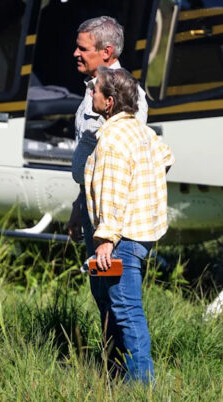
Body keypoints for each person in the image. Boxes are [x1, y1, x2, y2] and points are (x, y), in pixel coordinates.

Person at [84, 66, 174, 384]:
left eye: (95, 90)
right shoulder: (140, 130)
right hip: (142, 232)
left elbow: (111, 191)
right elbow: (166, 158)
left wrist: (106, 239)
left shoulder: (111, 140)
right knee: (118, 305)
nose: (90, 93)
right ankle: (119, 375)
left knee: (126, 309)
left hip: (122, 236)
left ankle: (141, 385)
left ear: (109, 102)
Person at [65, 16, 148, 275]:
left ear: (106, 52)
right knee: (100, 288)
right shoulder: (95, 87)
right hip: (93, 207)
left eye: (83, 48)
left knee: (115, 291)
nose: (75, 53)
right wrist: (80, 203)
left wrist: (109, 237)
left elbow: (123, 165)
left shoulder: (125, 94)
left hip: (111, 218)